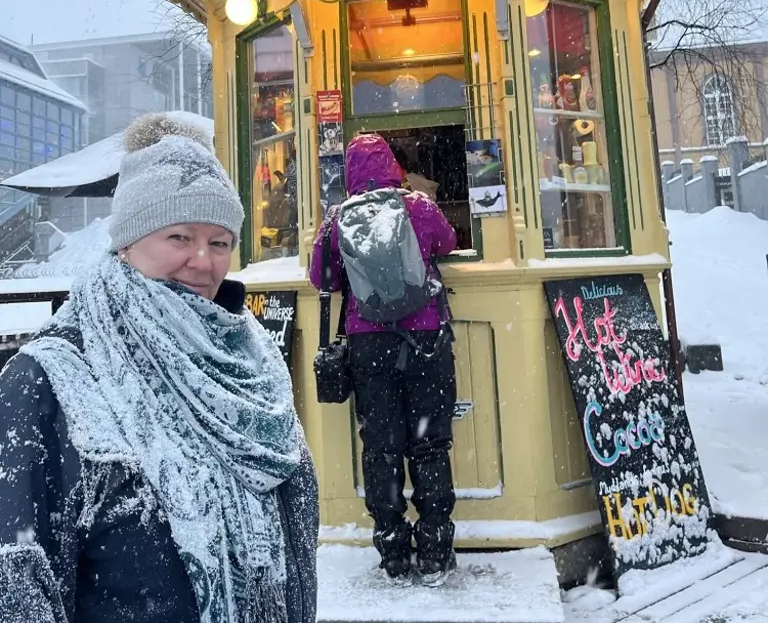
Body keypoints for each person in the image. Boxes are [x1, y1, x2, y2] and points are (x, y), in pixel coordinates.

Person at [0, 113, 318, 623]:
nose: (203, 260)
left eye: (219, 242)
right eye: (178, 236)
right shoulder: (49, 381)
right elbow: (19, 584)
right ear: (126, 243)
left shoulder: (249, 357)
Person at [309, 133, 457, 586]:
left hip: (367, 343)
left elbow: (321, 276)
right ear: (392, 164)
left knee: (381, 447)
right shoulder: (419, 206)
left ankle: (393, 552)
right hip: (425, 338)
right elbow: (448, 244)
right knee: (429, 443)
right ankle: (434, 551)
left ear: (350, 172)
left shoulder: (337, 218)